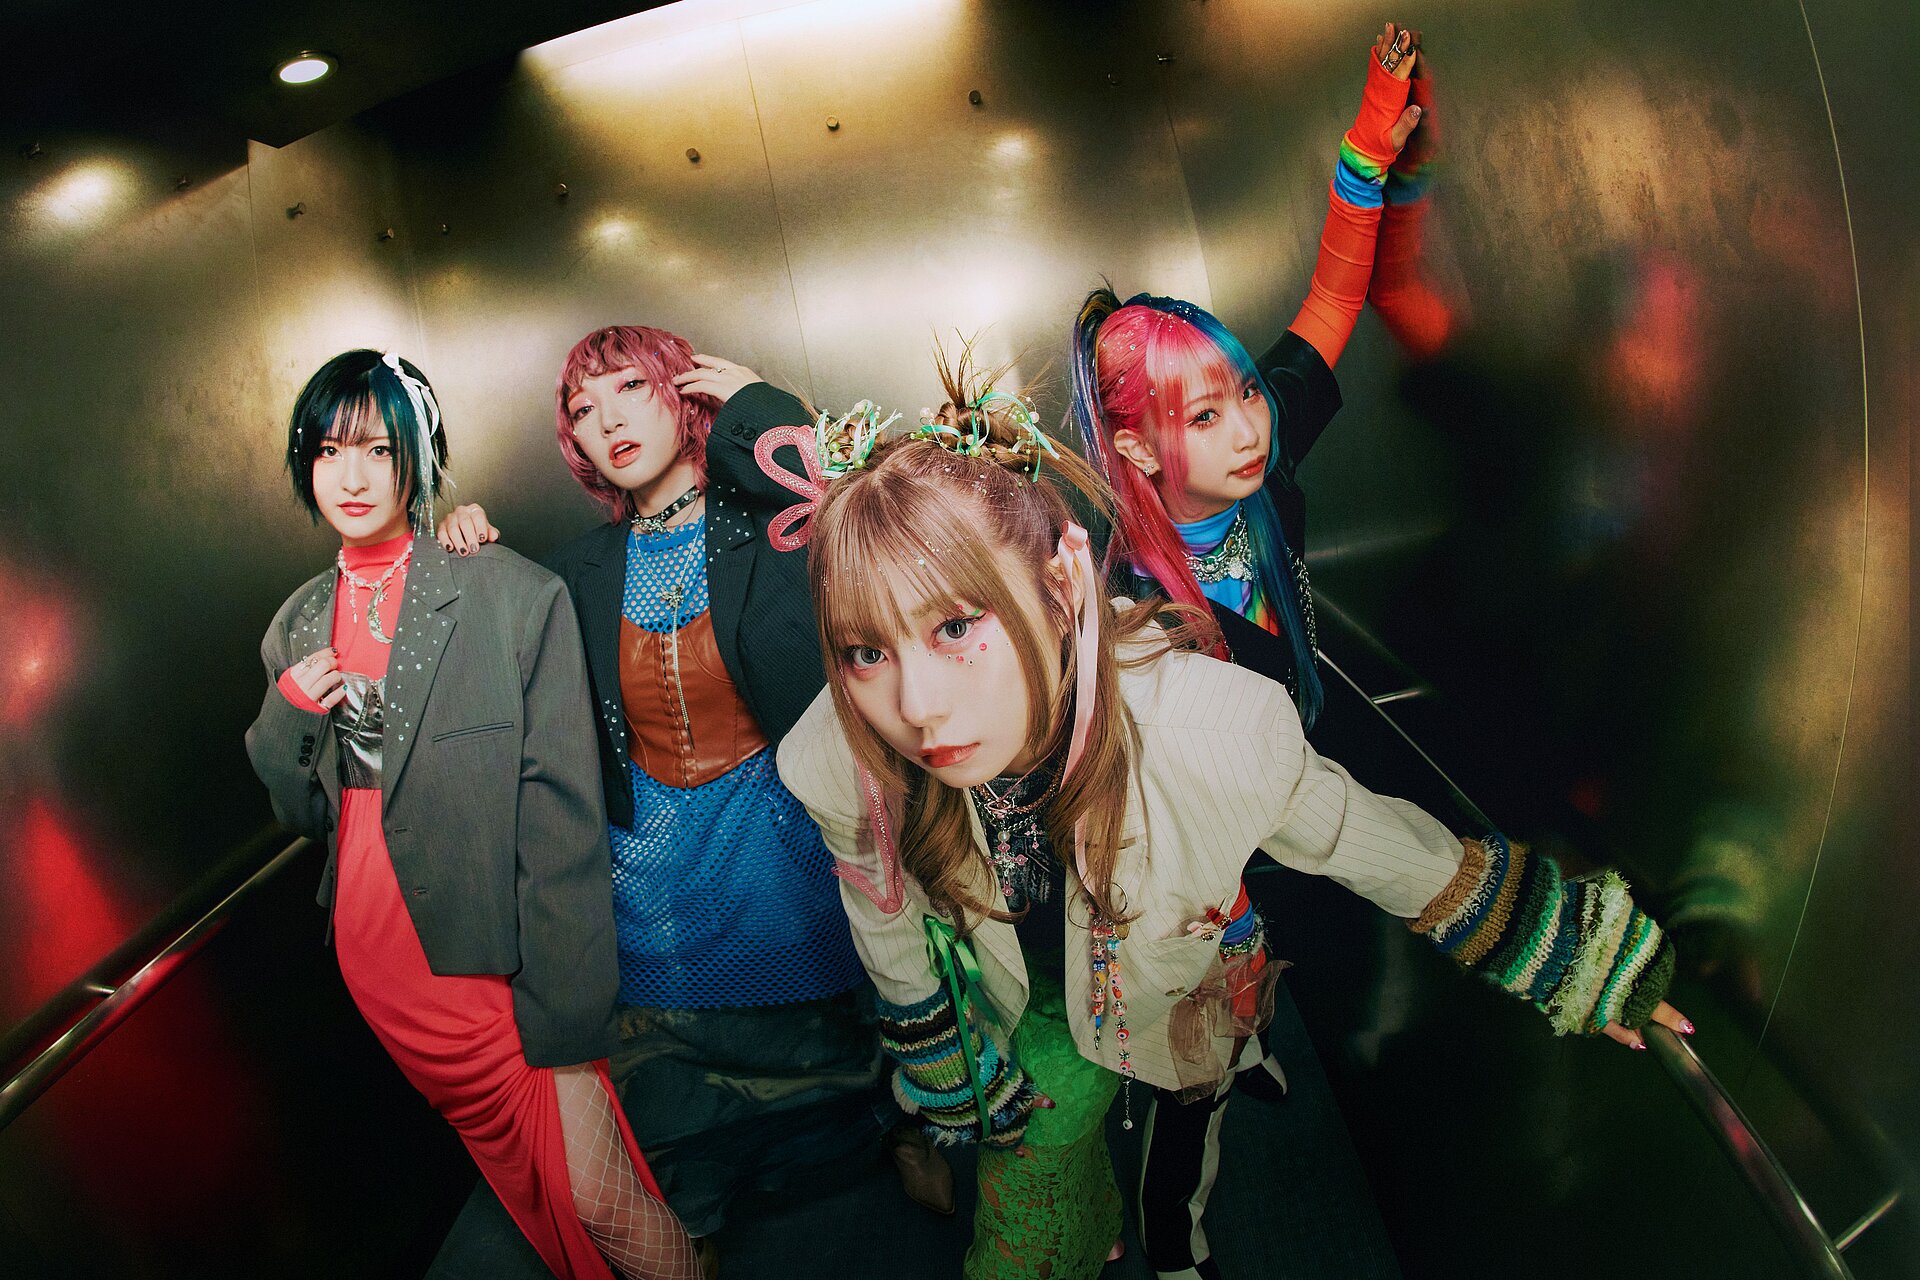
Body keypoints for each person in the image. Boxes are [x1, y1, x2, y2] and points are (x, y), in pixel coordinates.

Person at [773, 364, 1690, 1280]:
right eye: (866, 651)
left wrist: (1570, 955)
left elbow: (1362, 837)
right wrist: (942, 1054)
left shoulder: (1214, 730)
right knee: (1031, 1207)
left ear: (1060, 586)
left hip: (1179, 974)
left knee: (1188, 1120)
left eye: (954, 627)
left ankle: (1176, 1248)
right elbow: (882, 907)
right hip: (1027, 997)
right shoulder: (841, 755)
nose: (916, 707)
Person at [435, 326, 952, 1274]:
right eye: (584, 409)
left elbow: (847, 504)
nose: (609, 420)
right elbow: (493, 665)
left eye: (633, 388)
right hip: (652, 860)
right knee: (669, 1070)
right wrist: (460, 554)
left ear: (686, 396)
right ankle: (695, 1198)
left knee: (859, 1010)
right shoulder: (576, 570)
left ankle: (906, 1129)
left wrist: (760, 409)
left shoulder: (771, 525)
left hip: (779, 829)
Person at [1067, 23, 1431, 1275]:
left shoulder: (1256, 468)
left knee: (1253, 974)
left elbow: (1331, 301)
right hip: (1186, 848)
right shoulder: (1117, 590)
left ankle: (1256, 1036)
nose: (1249, 427)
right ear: (1136, 449)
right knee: (1191, 1080)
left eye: (1245, 393)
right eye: (1207, 412)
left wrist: (1365, 147)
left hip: (1281, 791)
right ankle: (1177, 1245)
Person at [245, 349, 696, 1280]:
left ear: (419, 456)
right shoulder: (296, 624)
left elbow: (562, 822)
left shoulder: (505, 593)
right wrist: (287, 716)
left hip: (498, 966)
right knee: (526, 1184)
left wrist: (565, 1009)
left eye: (379, 449)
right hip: (383, 964)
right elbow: (306, 816)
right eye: (329, 452)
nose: (353, 476)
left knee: (600, 1197)